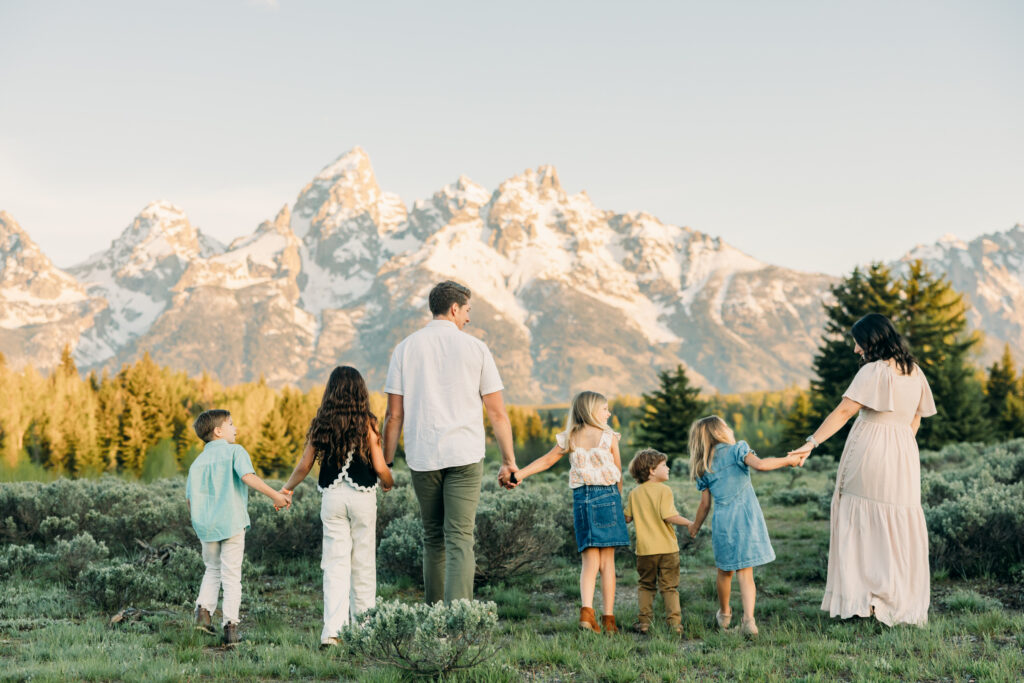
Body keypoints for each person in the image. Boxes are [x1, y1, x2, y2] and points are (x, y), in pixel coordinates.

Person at [787, 313, 936, 627]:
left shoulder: (875, 371)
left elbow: (844, 411)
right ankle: (894, 598)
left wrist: (811, 442)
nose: (856, 350)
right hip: (904, 453)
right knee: (896, 525)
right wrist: (900, 445)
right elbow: (916, 419)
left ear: (872, 341)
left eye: (858, 342)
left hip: (871, 450)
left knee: (862, 522)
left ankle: (863, 600)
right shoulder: (914, 371)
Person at [383, 280, 517, 604]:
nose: (468, 319)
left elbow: (393, 416)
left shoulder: (404, 348)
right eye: (467, 311)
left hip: (422, 455)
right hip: (465, 455)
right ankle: (457, 624)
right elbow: (497, 414)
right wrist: (509, 461)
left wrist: (386, 464)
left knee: (433, 538)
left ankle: (434, 619)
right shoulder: (476, 349)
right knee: (460, 538)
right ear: (455, 308)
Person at [279, 366, 395, 647]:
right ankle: (365, 630)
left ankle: (332, 632)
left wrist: (286, 488)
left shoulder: (322, 422)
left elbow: (305, 465)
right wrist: (389, 481)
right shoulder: (367, 423)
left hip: (332, 496)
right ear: (360, 392)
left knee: (335, 564)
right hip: (363, 497)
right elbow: (380, 465)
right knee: (363, 564)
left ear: (331, 392)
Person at [511, 391, 629, 633]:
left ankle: (587, 613)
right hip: (607, 497)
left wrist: (519, 474)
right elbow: (619, 474)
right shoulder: (609, 437)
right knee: (607, 562)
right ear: (592, 411)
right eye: (605, 409)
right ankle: (608, 620)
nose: (609, 413)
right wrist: (618, 501)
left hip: (582, 500)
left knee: (588, 560)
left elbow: (545, 461)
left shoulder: (570, 437)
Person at [687, 415, 802, 637]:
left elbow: (704, 505)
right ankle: (749, 621)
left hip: (723, 523)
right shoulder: (738, 450)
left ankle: (724, 614)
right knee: (745, 572)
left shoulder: (704, 465)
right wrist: (788, 461)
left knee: (724, 571)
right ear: (721, 431)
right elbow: (760, 465)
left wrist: (694, 527)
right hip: (746, 519)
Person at [185, 409, 290, 646]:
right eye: (231, 424)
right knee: (231, 575)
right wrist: (275, 495)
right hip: (231, 522)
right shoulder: (235, 451)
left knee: (211, 569)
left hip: (206, 527)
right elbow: (248, 477)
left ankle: (203, 616)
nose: (236, 429)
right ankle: (231, 629)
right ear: (218, 431)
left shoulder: (196, 463)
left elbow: (190, 499)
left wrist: (198, 523)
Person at [623, 448, 693, 636]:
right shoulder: (664, 490)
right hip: (667, 550)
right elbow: (669, 515)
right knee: (669, 587)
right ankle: (674, 624)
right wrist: (689, 523)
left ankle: (644, 623)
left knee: (646, 585)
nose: (668, 468)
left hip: (645, 551)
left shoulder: (634, 493)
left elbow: (627, 518)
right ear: (652, 470)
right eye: (664, 465)